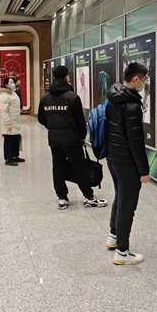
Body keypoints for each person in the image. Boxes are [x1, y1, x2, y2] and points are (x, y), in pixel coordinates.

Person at [38, 65, 107, 210]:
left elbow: (41, 118)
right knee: (80, 168)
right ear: (66, 78)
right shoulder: (72, 97)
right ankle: (89, 197)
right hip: (71, 140)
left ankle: (62, 198)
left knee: (58, 168)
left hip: (54, 140)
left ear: (54, 78)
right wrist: (82, 136)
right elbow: (80, 120)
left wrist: (53, 127)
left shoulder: (45, 98)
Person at [105, 62, 150, 265]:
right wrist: (144, 171)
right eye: (144, 80)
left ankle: (113, 236)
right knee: (127, 207)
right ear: (135, 79)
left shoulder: (113, 97)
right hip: (126, 162)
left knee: (119, 198)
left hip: (113, 159)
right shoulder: (131, 106)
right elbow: (136, 142)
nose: (144, 84)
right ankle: (121, 252)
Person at [0, 77, 23, 166]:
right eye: (11, 82)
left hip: (15, 120)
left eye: (13, 82)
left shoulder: (13, 93)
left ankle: (15, 156)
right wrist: (8, 123)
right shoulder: (4, 95)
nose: (13, 84)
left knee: (15, 138)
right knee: (9, 139)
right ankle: (8, 158)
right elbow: (4, 111)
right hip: (9, 121)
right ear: (6, 85)